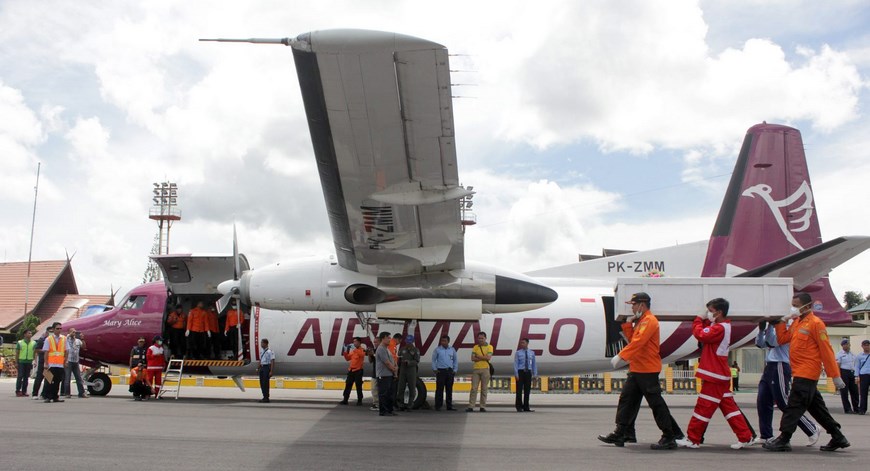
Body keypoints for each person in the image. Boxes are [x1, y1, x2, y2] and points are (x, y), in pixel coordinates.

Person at [763, 293, 850, 452]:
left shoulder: (816, 324)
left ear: (807, 306)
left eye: (796, 305)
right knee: (817, 408)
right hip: (800, 372)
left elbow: (827, 351)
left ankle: (784, 438)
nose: (793, 307)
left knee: (794, 406)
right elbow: (782, 339)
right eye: (792, 304)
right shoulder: (797, 322)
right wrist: (781, 322)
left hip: (807, 372)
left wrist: (835, 375)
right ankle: (838, 437)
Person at [597, 292, 680, 450]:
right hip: (638, 368)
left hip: (647, 369)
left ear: (642, 304)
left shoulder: (649, 321)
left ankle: (669, 436)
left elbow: (639, 341)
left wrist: (621, 355)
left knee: (656, 404)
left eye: (634, 305)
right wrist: (628, 324)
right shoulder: (642, 321)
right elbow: (633, 339)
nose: (632, 308)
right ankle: (621, 433)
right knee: (627, 400)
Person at [676, 298, 754, 449]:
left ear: (719, 312)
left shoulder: (720, 328)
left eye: (710, 311)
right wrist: (704, 320)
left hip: (714, 374)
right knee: (729, 408)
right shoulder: (722, 326)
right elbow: (707, 329)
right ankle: (745, 436)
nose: (708, 314)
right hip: (718, 373)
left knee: (703, 408)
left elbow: (701, 334)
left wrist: (698, 319)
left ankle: (693, 439)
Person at [755, 320, 820, 446]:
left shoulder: (789, 327)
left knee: (783, 402)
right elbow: (760, 344)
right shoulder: (774, 327)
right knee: (763, 401)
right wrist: (762, 330)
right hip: (770, 366)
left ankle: (811, 428)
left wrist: (770, 327)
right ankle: (766, 435)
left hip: (780, 365)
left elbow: (773, 342)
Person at [466, 332, 493, 412]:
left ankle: (482, 406)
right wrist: (483, 357)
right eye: (479, 338)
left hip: (485, 369)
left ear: (485, 338)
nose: (480, 340)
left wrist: (478, 356)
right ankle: (471, 406)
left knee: (484, 389)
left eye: (482, 338)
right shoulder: (475, 347)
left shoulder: (490, 347)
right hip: (476, 369)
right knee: (474, 388)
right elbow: (472, 358)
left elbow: (488, 357)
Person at [431, 334, 458, 411]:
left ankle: (449, 406)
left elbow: (455, 360)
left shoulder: (452, 350)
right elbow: (433, 360)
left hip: (449, 371)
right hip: (441, 371)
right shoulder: (437, 350)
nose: (443, 342)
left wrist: (455, 370)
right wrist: (435, 369)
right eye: (442, 341)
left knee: (449, 389)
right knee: (439, 389)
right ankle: (438, 406)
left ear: (448, 341)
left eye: (444, 341)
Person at [375, 331, 398, 416]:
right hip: (383, 375)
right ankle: (383, 411)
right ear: (383, 338)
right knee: (384, 394)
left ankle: (389, 410)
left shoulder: (387, 349)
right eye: (388, 338)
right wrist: (394, 369)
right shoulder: (381, 349)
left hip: (389, 375)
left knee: (390, 394)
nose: (390, 340)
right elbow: (387, 363)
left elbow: (392, 360)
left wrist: (395, 368)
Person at [42, 322, 66, 403]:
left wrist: (65, 361)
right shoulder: (48, 339)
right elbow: (46, 352)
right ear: (53, 329)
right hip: (51, 364)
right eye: (57, 328)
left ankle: (55, 397)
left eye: (60, 328)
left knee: (57, 381)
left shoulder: (64, 338)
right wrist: (46, 363)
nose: (59, 330)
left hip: (60, 365)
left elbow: (66, 351)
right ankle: (48, 397)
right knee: (49, 381)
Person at [835, 339, 859, 414]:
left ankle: (856, 408)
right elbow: (837, 365)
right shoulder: (839, 354)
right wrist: (838, 375)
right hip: (844, 372)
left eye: (848, 344)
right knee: (844, 391)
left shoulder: (853, 354)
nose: (847, 345)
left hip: (852, 372)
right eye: (845, 344)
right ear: (842, 346)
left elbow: (856, 364)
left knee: (854, 391)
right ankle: (847, 409)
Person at [397, 335, 420, 411]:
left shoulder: (416, 350)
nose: (408, 344)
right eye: (407, 342)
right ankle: (401, 405)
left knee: (412, 388)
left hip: (411, 370)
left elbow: (417, 361)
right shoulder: (402, 349)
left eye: (409, 342)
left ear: (412, 342)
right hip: (403, 370)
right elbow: (398, 359)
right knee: (401, 388)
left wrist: (409, 362)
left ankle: (410, 405)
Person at [340, 337, 366, 406]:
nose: (354, 343)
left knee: (358, 386)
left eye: (355, 341)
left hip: (358, 370)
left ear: (359, 342)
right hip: (351, 370)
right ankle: (345, 399)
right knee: (348, 385)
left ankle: (359, 400)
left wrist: (355, 350)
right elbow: (347, 358)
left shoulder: (362, 350)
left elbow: (362, 355)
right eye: (353, 341)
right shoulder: (353, 351)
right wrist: (345, 352)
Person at [63, 328, 87, 398]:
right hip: (69, 360)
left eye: (75, 332)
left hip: (76, 361)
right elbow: (66, 338)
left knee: (78, 378)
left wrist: (82, 339)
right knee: (67, 378)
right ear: (69, 332)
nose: (74, 334)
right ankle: (67, 393)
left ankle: (81, 393)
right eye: (73, 332)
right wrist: (70, 334)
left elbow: (84, 347)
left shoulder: (78, 341)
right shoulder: (67, 339)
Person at [514, 337, 537, 412]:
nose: (522, 344)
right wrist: (516, 374)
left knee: (527, 390)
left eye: (523, 343)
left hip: (528, 372)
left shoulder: (532, 353)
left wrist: (535, 374)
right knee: (519, 390)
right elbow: (516, 364)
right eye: (521, 343)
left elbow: (534, 364)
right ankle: (519, 406)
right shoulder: (518, 353)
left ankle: (526, 407)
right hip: (520, 372)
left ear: (527, 343)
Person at [31, 326, 51, 400]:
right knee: (39, 378)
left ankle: (44, 394)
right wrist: (45, 350)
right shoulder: (42, 340)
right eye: (50, 332)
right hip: (42, 361)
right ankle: (35, 394)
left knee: (48, 379)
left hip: (50, 362)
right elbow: (36, 350)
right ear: (47, 332)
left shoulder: (53, 340)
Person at [15, 329, 36, 397]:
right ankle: (18, 390)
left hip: (29, 361)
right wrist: (16, 362)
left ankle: (24, 391)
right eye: (29, 333)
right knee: (20, 376)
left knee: (26, 377)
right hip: (21, 361)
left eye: (31, 333)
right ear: (25, 334)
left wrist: (34, 361)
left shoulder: (33, 343)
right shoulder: (20, 342)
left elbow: (35, 353)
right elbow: (17, 353)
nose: (30, 334)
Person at [856, 340, 870, 415]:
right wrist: (856, 376)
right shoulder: (859, 356)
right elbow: (857, 367)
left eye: (868, 345)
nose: (866, 346)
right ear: (862, 346)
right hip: (864, 375)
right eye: (865, 345)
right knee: (863, 393)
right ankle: (862, 409)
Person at [258, 338, 274, 403]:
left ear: (266, 343)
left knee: (265, 383)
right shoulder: (261, 351)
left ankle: (266, 397)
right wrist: (258, 368)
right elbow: (260, 360)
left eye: (262, 343)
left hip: (266, 367)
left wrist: (271, 371)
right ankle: (264, 396)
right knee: (261, 383)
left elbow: (272, 361)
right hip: (262, 367)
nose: (261, 344)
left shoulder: (270, 351)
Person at [367, 343, 379, 411]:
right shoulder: (374, 350)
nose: (375, 343)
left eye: (376, 342)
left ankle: (379, 404)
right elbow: (370, 361)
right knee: (374, 389)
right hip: (375, 373)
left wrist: (373, 355)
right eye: (374, 342)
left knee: (380, 390)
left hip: (381, 373)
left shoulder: (382, 350)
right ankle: (376, 403)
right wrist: (370, 354)